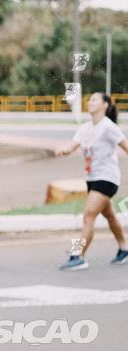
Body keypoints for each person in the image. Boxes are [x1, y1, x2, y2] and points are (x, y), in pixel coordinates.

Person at [57, 91, 128, 270]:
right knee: (110, 216)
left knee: (88, 215)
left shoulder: (108, 127)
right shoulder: (85, 128)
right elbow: (72, 146)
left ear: (105, 105)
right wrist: (64, 150)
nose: (90, 102)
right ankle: (124, 248)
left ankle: (78, 256)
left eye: (94, 99)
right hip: (92, 178)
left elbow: (126, 147)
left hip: (107, 178)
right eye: (89, 99)